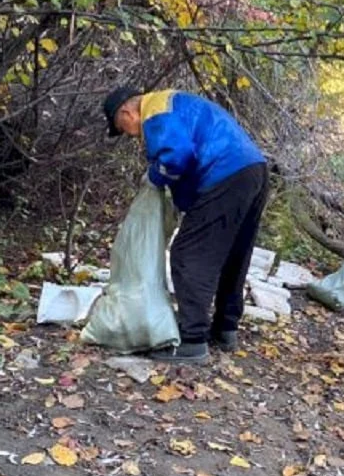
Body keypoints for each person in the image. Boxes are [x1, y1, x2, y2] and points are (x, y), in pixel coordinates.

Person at [103, 86, 268, 363]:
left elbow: (177, 157)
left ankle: (192, 341)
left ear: (126, 112)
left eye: (123, 128)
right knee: (233, 253)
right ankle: (225, 328)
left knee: (187, 254)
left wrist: (154, 178)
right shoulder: (177, 102)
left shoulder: (155, 112)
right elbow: (193, 153)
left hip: (224, 173)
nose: (132, 136)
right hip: (254, 170)